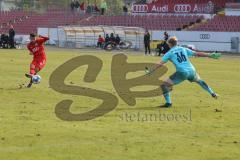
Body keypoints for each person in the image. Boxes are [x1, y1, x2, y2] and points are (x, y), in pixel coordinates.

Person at [147, 36, 220, 107]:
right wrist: (210, 55)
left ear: (169, 44)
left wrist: (151, 70)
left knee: (164, 85)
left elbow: (160, 63)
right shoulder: (183, 49)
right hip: (191, 70)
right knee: (200, 81)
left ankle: (168, 103)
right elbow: (197, 53)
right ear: (176, 43)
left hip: (182, 72)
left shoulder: (169, 53)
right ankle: (212, 93)